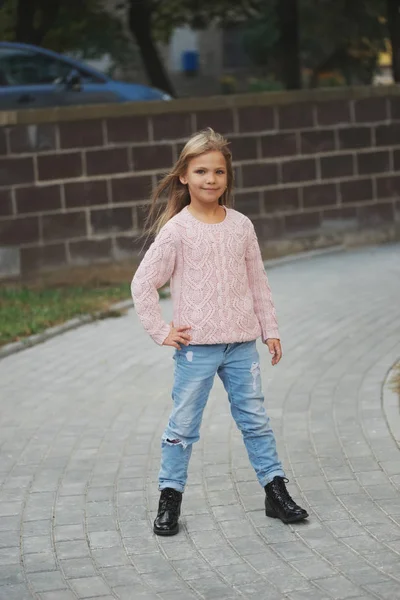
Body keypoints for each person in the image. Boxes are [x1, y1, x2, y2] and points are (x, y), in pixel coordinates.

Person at [131, 128, 308, 536]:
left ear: (228, 177)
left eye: (219, 172)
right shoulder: (176, 231)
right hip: (196, 351)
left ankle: (275, 491)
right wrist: (161, 330)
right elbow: (142, 283)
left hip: (242, 345)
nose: (211, 179)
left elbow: (258, 281)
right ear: (184, 176)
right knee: (182, 427)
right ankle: (169, 500)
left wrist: (270, 330)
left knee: (256, 420)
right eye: (201, 171)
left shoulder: (242, 226)